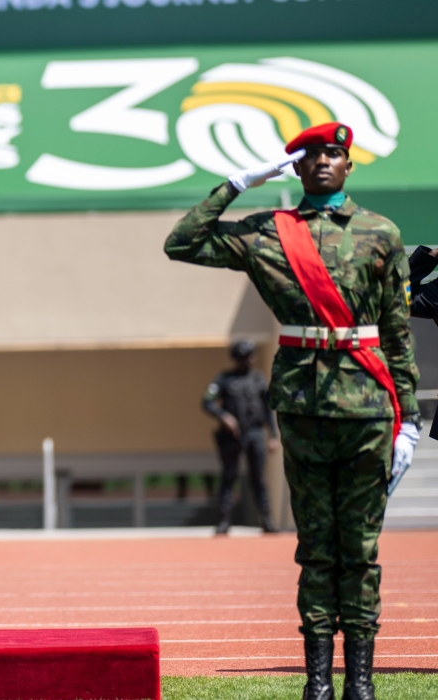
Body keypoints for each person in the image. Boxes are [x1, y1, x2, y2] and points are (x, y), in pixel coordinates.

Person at [165, 122, 419, 700]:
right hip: (304, 406)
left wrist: (410, 421)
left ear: (348, 165)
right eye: (313, 155)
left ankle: (359, 680)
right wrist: (235, 183)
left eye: (335, 153)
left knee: (359, 548)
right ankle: (316, 681)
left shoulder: (381, 234)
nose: (325, 161)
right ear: (295, 168)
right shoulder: (268, 235)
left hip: (368, 407)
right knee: (315, 547)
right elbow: (183, 241)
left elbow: (397, 334)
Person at [202, 339, 279, 534]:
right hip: (233, 436)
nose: (251, 359)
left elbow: (268, 408)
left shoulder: (258, 379)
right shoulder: (224, 379)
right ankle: (224, 522)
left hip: (255, 433)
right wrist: (224, 417)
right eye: (247, 356)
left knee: (258, 478)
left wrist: (273, 435)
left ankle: (267, 521)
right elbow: (207, 402)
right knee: (229, 476)